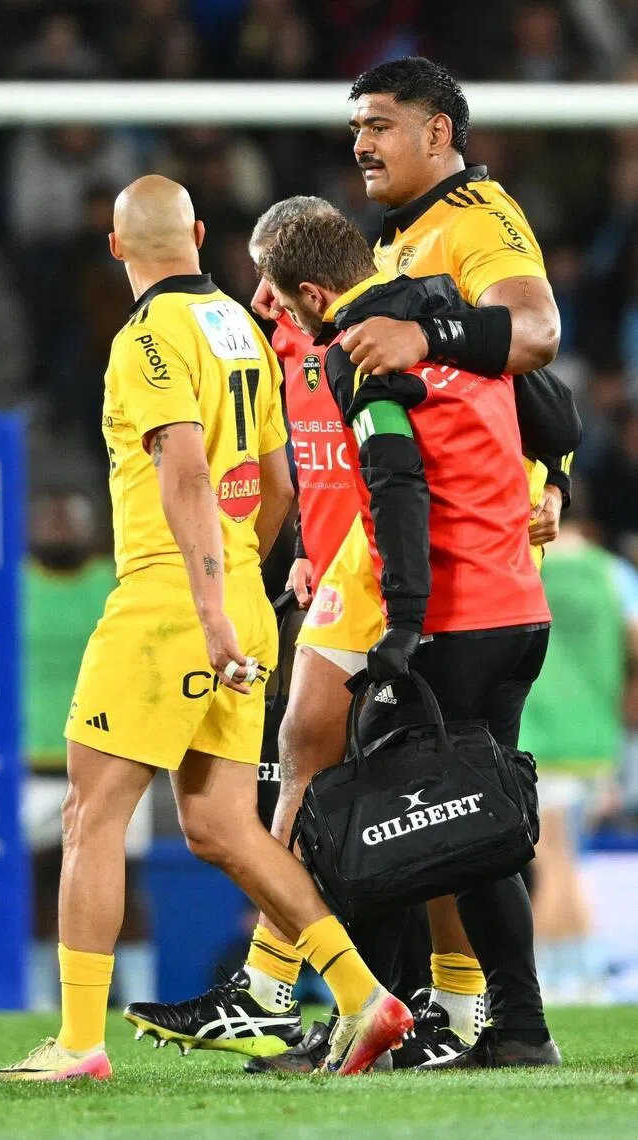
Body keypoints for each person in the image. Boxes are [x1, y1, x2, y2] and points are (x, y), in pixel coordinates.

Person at [131, 57, 574, 1073]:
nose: (363, 142)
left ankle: (387, 1001)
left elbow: (539, 343)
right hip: (400, 568)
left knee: (409, 794)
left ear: (439, 131)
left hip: (438, 577)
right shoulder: (395, 250)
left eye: (380, 123)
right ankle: (422, 1007)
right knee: (398, 786)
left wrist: (536, 470)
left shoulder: (475, 226)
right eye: (356, 127)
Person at [0, 175, 412, 1082]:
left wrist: (207, 610)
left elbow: (183, 471)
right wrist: (239, 588)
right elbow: (279, 482)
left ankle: (78, 1042)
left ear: (115, 248)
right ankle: (365, 995)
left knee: (90, 815)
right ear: (201, 235)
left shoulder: (146, 339)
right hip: (240, 597)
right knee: (223, 828)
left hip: (170, 602)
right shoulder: (244, 328)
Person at [263, 204, 564, 1069]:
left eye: (280, 299)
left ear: (312, 295)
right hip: (518, 606)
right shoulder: (457, 319)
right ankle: (516, 1028)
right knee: (474, 829)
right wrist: (556, 487)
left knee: (383, 815)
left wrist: (401, 622)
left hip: (454, 615)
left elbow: (394, 483)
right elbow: (559, 417)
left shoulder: (363, 349)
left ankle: (375, 1021)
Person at [21, 490, 157, 1012]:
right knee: (40, 883)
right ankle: (42, 1001)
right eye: (50, 519)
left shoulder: (117, 583)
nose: (59, 529)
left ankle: (139, 996)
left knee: (126, 880)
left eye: (69, 520)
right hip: (33, 763)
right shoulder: (13, 588)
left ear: (91, 528)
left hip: (114, 758)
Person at [518, 505, 638, 1003]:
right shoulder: (613, 574)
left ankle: (557, 977)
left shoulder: (526, 564)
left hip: (532, 732)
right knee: (563, 857)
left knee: (549, 862)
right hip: (592, 740)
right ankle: (578, 973)